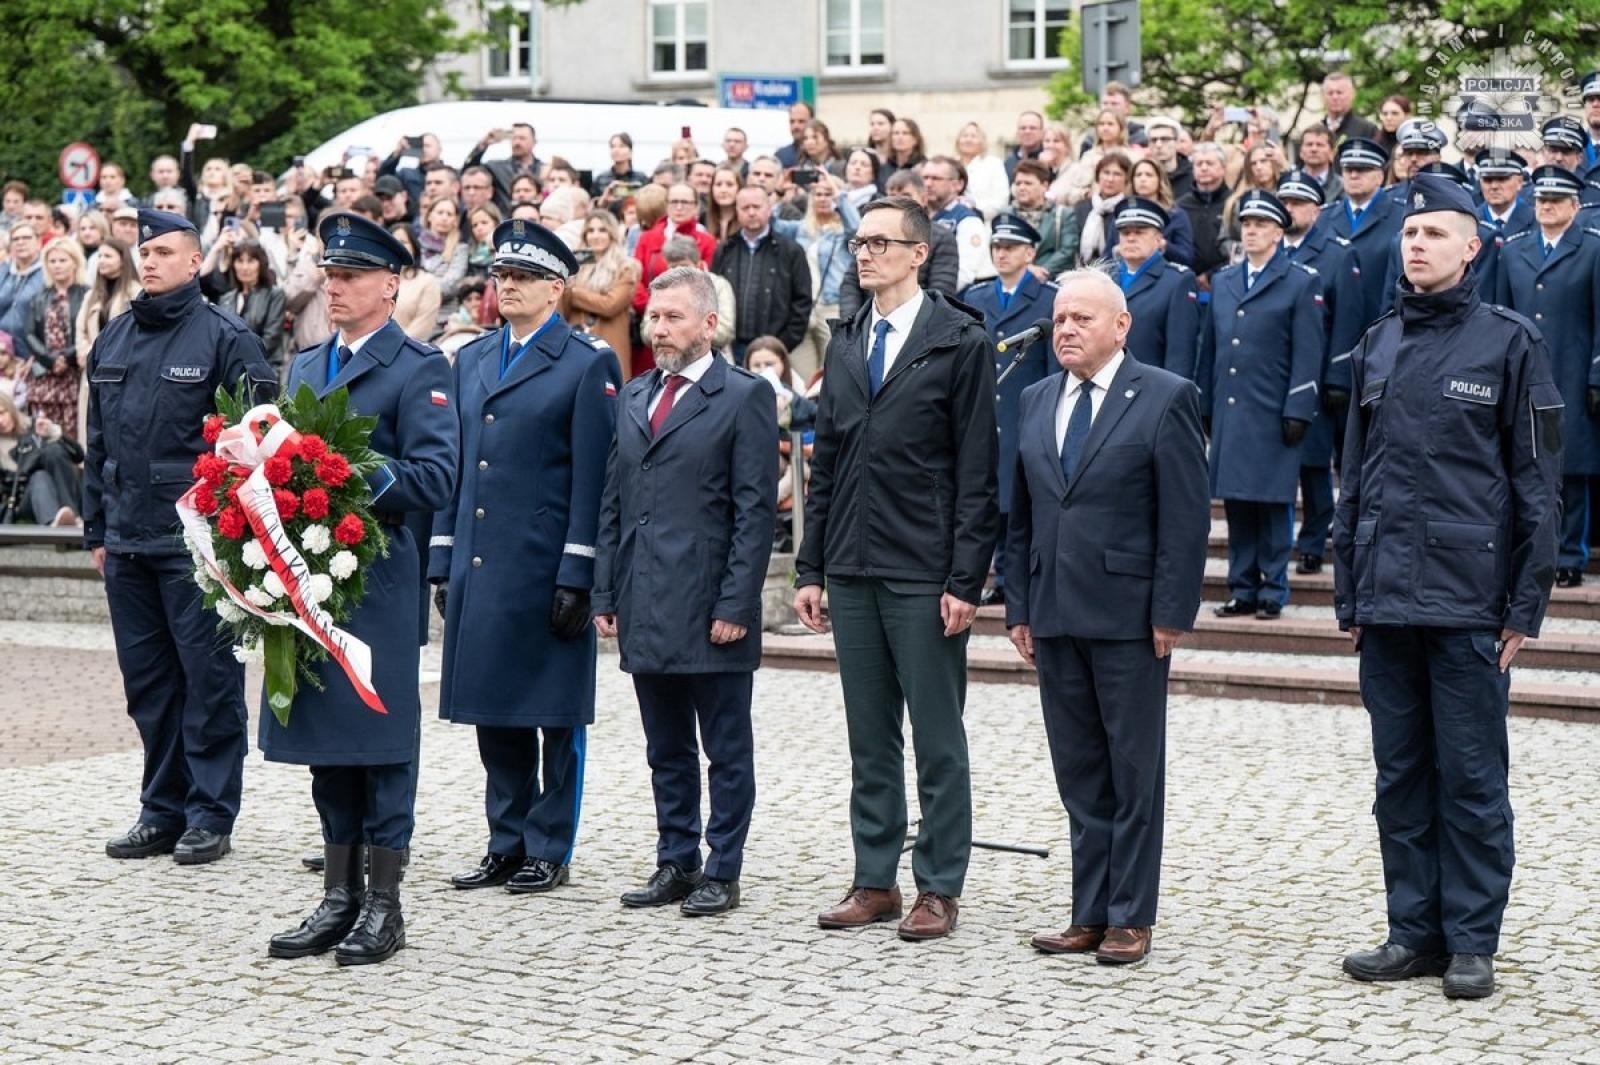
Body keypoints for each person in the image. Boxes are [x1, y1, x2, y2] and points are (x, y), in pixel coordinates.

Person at [1334, 173, 1562, 1001]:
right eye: (1409, 233)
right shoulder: (1377, 343)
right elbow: (1352, 477)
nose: (1416, 244)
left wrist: (1524, 605)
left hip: (1469, 602)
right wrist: (1348, 593)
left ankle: (1472, 939)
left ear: (1473, 245)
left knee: (1469, 777)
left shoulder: (1510, 342)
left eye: (1435, 232)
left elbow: (1538, 483)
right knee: (1399, 776)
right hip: (1388, 602)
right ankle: (1413, 931)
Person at [794, 196, 1000, 942]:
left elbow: (979, 470)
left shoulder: (959, 339)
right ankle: (874, 877)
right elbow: (833, 458)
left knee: (938, 735)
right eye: (859, 241)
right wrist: (811, 565)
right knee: (868, 732)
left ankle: (939, 884)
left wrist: (965, 580)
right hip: (851, 562)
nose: (865, 253)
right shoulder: (848, 338)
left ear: (920, 253)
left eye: (881, 242)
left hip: (923, 566)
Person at [263, 212, 458, 967]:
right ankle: (338, 894)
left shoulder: (419, 367)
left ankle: (384, 902)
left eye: (348, 277)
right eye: (329, 274)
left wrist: (341, 470)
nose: (333, 286)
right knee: (327, 744)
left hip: (375, 582)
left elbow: (436, 477)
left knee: (378, 742)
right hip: (311, 580)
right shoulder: (306, 365)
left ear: (391, 284)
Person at [1005, 268, 1208, 966]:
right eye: (1060, 319)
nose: (1065, 330)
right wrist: (1020, 605)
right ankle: (1088, 910)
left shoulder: (1164, 397)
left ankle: (1130, 913)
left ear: (1120, 325)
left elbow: (1183, 518)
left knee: (1132, 768)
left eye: (1081, 319)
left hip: (1129, 615)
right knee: (1080, 770)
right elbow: (1024, 513)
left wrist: (1171, 610)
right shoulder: (1034, 399)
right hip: (1055, 612)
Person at [430, 218, 620, 896]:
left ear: (556, 289)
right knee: (494, 711)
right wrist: (442, 556)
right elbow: (457, 466)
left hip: (544, 568)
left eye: (522, 277)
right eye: (500, 276)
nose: (505, 286)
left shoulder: (585, 360)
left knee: (553, 715)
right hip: (483, 563)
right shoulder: (474, 359)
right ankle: (505, 840)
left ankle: (549, 845)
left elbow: (594, 477)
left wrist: (580, 571)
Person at [83, 209, 276, 865]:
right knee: (150, 686)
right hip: (128, 542)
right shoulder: (112, 339)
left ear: (197, 261)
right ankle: (161, 808)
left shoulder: (227, 338)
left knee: (208, 679)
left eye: (166, 251)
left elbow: (260, 446)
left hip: (198, 547)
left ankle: (210, 811)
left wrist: (235, 544)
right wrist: (96, 530)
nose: (152, 261)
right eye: (146, 251)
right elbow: (98, 445)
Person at [592, 266, 777, 917]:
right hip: (645, 599)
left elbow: (755, 513)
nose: (659, 328)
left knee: (725, 747)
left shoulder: (743, 396)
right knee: (664, 746)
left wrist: (735, 603)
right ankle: (677, 858)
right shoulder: (635, 393)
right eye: (653, 317)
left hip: (709, 607)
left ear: (708, 323)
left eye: (672, 317)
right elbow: (615, 497)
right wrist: (604, 589)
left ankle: (722, 866)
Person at [1196, 191, 1325, 619]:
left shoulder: (1300, 280)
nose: (1250, 230)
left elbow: (1309, 353)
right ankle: (1243, 586)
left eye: (1260, 224)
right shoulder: (1226, 281)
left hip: (1273, 411)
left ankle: (1273, 588)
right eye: (1246, 224)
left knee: (1273, 504)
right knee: (1236, 504)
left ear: (1278, 232)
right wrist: (1206, 404)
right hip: (1233, 410)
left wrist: (1299, 408)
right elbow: (1211, 347)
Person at [1494, 166, 1600, 588]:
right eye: (1540, 200)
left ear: (1575, 206)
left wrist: (1597, 375)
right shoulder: (1513, 249)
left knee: (1570, 471)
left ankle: (1570, 554)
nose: (1547, 206)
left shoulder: (1593, 249)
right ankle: (1525, 555)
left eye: (1556, 200)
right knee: (1521, 467)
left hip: (1572, 374)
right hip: (1522, 375)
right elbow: (1500, 314)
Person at [960, 214, 1059, 607]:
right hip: (989, 415)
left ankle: (1021, 578)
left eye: (1011, 247)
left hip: (1028, 412)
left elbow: (1054, 364)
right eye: (997, 247)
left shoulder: (1048, 295)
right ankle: (1000, 577)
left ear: (1030, 252)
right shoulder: (977, 296)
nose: (1001, 253)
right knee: (994, 501)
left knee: (1024, 501)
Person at [1277, 170, 1365, 576]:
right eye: (1285, 202)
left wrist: (1337, 376)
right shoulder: (1269, 249)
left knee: (1313, 465)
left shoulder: (1336, 252)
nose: (1289, 209)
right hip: (1273, 375)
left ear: (1316, 209)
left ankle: (1313, 540)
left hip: (1314, 375)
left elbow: (1347, 318)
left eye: (1297, 203)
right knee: (1277, 462)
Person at [710, 186, 813, 367]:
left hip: (773, 351)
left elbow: (802, 302)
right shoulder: (725, 250)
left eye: (757, 207)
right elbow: (712, 296)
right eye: (745, 208)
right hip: (730, 350)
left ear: (769, 209)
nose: (751, 212)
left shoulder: (790, 251)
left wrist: (782, 345)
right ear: (737, 211)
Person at [836, 170, 960, 318]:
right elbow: (851, 282)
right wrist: (853, 323)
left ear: (924, 198)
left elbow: (942, 290)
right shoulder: (868, 234)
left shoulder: (941, 236)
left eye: (906, 195)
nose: (897, 201)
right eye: (891, 195)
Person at [1321, 138, 1403, 330]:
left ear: (1379, 176)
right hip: (1332, 329)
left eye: (1363, 170)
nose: (1354, 175)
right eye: (1349, 170)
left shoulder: (1401, 216)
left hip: (1380, 325)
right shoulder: (1324, 218)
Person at [1112, 198, 1199, 375]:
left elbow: (1180, 355)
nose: (1131, 238)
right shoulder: (1104, 279)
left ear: (1159, 239)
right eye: (1125, 232)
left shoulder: (1177, 281)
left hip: (1151, 391)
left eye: (1140, 232)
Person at [562, 210, 642, 378]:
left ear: (612, 233)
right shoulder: (574, 267)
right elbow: (562, 310)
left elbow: (610, 305)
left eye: (602, 230)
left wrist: (574, 292)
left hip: (610, 345)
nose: (595, 236)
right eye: (590, 231)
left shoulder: (627, 267)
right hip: (576, 345)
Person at [23, 239, 89, 436]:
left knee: (72, 434)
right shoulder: (39, 297)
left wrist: (65, 358)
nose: (57, 265)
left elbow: (89, 332)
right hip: (44, 372)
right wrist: (50, 359)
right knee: (42, 432)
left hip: (73, 372)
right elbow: (29, 334)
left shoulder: (87, 294)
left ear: (75, 262)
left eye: (62, 260)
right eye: (52, 261)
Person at [0, 398, 82, 527]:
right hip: (24, 500)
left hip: (61, 488)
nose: (0, 421)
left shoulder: (34, 426)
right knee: (39, 477)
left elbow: (79, 455)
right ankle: (53, 524)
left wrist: (54, 433)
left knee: (53, 450)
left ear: (11, 410)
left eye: (2, 413)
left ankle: (72, 516)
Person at [211, 240, 286, 369]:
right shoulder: (226, 299)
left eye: (250, 261)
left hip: (264, 370)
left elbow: (270, 338)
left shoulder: (274, 295)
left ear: (261, 264)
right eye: (240, 261)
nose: (244, 267)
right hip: (230, 372)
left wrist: (238, 357)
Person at [923, 157, 993, 288]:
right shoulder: (917, 214)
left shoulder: (968, 220)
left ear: (958, 185)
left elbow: (964, 273)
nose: (928, 184)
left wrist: (931, 301)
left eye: (936, 179)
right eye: (925, 178)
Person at [1008, 160, 1078, 278]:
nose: (1021, 187)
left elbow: (1067, 250)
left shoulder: (1063, 214)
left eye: (1028, 183)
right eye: (1018, 183)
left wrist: (1042, 270)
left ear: (1045, 186)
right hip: (1014, 280)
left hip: (1050, 281)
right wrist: (1025, 269)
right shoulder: (1006, 215)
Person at [1176, 144, 1231, 288]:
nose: (1204, 168)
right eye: (1199, 164)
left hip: (1225, 280)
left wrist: (1211, 276)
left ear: (1223, 168)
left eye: (1210, 163)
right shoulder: (1180, 206)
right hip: (1186, 281)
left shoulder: (1233, 203)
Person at [1130, 158, 1196, 267]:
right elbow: (1108, 255)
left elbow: (1187, 257)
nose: (1143, 179)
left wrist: (1164, 245)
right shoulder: (1123, 214)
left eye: (1149, 175)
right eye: (1138, 175)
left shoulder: (1176, 215)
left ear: (1159, 180)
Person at [464, 122, 543, 211]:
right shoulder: (496, 168)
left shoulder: (544, 170)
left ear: (534, 142)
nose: (517, 142)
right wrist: (484, 144)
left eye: (522, 138)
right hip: (505, 220)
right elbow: (469, 171)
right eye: (514, 138)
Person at [386, 223, 442, 342]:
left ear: (414, 247)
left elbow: (422, 326)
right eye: (393, 241)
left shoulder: (427, 282)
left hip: (407, 350)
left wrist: (392, 345)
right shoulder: (377, 280)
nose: (397, 246)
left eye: (403, 241)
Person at [1073, 152, 1131, 266]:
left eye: (1117, 174)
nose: (1110, 179)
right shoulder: (1082, 207)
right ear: (1097, 176)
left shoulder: (1127, 210)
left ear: (1127, 179)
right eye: (1106, 173)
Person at [955, 122, 1011, 219]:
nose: (968, 139)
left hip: (984, 222)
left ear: (982, 141)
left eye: (973, 136)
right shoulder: (950, 165)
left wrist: (974, 208)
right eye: (964, 136)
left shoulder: (994, 164)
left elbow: (1002, 199)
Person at [0, 223, 45, 339]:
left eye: (26, 238)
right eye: (15, 239)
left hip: (31, 349)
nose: (20, 242)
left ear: (38, 242)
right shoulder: (4, 270)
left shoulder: (48, 271)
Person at [1475, 150, 1534, 238]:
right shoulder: (1471, 221)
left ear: (1519, 182)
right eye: (1487, 179)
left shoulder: (1536, 221)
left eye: (1502, 179)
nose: (1494, 186)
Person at [1144, 117, 1194, 201]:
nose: (1158, 145)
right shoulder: (1142, 175)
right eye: (1153, 140)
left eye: (1165, 139)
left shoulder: (1193, 174)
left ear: (1177, 143)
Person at [1322, 72, 1380, 143]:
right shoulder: (1316, 131)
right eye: (1330, 93)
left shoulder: (1367, 130)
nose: (1335, 97)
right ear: (1323, 96)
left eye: (1339, 92)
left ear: (1353, 94)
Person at [1295, 127, 1343, 203]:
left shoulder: (1342, 187)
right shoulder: (1289, 183)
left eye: (1320, 145)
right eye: (1309, 144)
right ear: (1300, 152)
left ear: (1332, 153)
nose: (1314, 149)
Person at [705, 165, 744, 242]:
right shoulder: (702, 220)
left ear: (739, 188)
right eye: (718, 184)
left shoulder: (746, 221)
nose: (723, 190)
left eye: (729, 185)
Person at [1005, 110, 1047, 180]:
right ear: (1017, 132)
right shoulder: (1009, 163)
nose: (1027, 131)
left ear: (1041, 132)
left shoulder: (1050, 161)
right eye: (1023, 128)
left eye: (1033, 128)